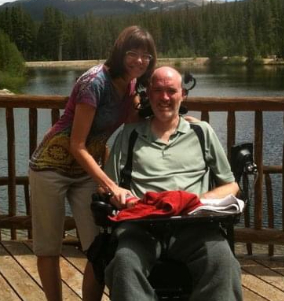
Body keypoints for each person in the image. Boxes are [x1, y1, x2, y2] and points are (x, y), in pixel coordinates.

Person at [29, 25, 157, 301]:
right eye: (132, 53)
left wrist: (181, 119)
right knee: (49, 247)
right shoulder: (94, 83)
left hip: (86, 169)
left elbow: (136, 124)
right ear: (120, 53)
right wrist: (112, 186)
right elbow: (77, 144)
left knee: (99, 246)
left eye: (146, 56)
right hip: (51, 167)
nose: (139, 60)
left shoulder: (131, 84)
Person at [103, 66, 243, 301]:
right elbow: (106, 185)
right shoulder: (130, 135)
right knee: (125, 263)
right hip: (141, 227)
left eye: (171, 90)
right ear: (148, 94)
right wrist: (119, 196)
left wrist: (200, 201)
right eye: (158, 90)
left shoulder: (202, 132)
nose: (165, 97)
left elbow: (231, 185)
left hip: (194, 226)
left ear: (183, 95)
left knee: (222, 261)